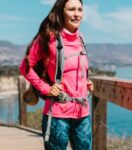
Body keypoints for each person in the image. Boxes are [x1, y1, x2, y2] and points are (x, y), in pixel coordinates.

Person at [19, 0, 94, 149]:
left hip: (83, 114)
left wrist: (85, 82)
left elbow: (73, 71)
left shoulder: (81, 38)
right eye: (71, 9)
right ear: (61, 12)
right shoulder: (48, 37)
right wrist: (46, 88)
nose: (77, 14)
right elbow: (25, 67)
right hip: (57, 115)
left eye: (80, 10)